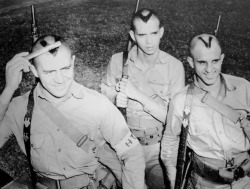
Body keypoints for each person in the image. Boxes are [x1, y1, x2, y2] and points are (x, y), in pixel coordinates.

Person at [0, 35, 147, 189]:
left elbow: (132, 152)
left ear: (73, 62)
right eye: (49, 72)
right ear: (34, 71)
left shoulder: (96, 104)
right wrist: (9, 89)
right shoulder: (20, 108)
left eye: (65, 68)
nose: (59, 79)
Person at [101, 8, 185, 189]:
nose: (149, 41)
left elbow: (174, 122)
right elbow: (102, 101)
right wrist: (115, 98)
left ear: (161, 32)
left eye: (154, 33)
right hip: (124, 148)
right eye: (142, 34)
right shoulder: (117, 61)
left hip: (159, 152)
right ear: (132, 35)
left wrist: (138, 95)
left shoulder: (175, 68)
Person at [161, 33, 250, 189]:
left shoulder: (243, 88)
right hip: (206, 184)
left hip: (245, 180)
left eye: (215, 61)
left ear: (222, 59)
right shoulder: (182, 101)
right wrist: (173, 177)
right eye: (202, 62)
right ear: (191, 62)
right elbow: (170, 140)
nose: (210, 69)